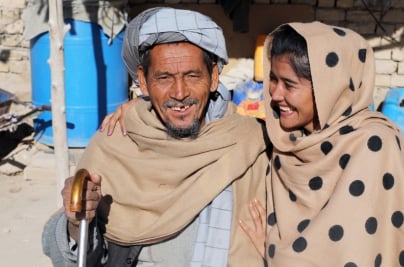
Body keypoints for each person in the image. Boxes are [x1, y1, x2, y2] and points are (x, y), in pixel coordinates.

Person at [41, 7, 269, 267]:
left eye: (192, 76)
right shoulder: (116, 140)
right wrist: (76, 222)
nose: (180, 93)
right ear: (144, 81)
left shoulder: (249, 142)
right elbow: (78, 256)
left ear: (214, 77)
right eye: (164, 78)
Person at [240, 22, 404, 266]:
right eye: (273, 79)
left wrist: (275, 254)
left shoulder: (373, 145)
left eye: (289, 84)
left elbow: (352, 249)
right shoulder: (285, 141)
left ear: (329, 87)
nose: (274, 95)